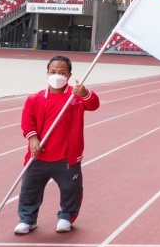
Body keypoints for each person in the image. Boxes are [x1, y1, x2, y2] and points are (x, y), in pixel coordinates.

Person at [15, 56, 100, 235]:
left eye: (61, 73)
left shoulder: (75, 97)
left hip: (66, 158)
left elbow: (94, 105)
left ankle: (66, 217)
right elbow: (27, 121)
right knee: (29, 189)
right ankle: (28, 219)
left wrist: (84, 93)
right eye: (53, 72)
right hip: (39, 156)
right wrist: (33, 139)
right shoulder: (35, 98)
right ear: (47, 73)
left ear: (69, 75)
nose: (57, 76)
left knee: (71, 190)